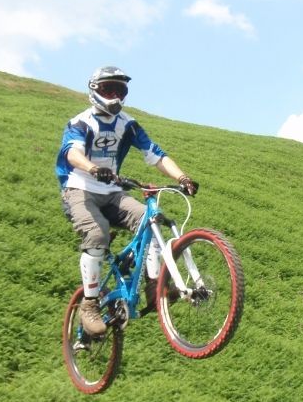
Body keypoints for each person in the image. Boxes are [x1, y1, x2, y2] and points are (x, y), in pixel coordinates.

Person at [55, 65, 198, 336]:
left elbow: (155, 154)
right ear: (94, 90)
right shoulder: (80, 122)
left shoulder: (127, 125)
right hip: (79, 190)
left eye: (120, 91)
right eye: (109, 90)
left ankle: (153, 285)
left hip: (112, 193)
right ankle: (89, 304)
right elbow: (72, 154)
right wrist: (93, 168)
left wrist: (183, 177)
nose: (115, 97)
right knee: (97, 234)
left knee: (150, 219)